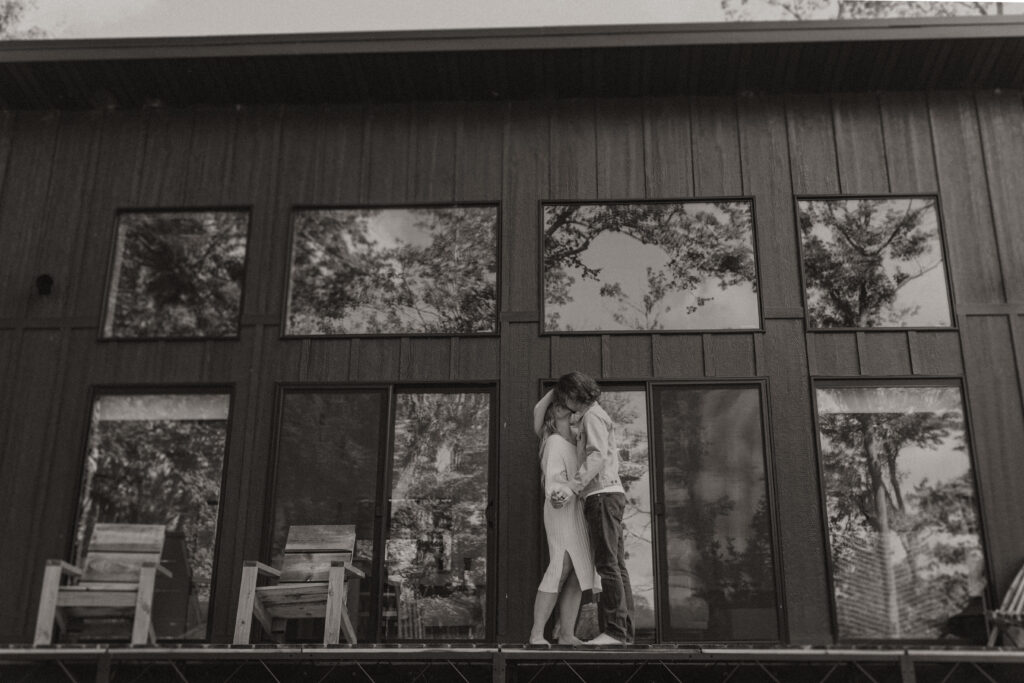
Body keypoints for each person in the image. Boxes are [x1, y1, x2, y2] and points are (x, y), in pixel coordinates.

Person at [556, 371, 634, 646]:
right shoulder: (593, 416)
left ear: (574, 394)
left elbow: (597, 456)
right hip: (609, 494)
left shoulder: (592, 417)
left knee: (607, 565)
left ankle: (614, 632)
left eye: (565, 396)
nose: (564, 402)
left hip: (601, 496)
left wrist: (572, 487)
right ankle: (623, 632)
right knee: (616, 565)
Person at [529, 390, 598, 646]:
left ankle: (567, 634)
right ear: (557, 411)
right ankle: (537, 633)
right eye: (565, 405)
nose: (571, 410)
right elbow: (538, 410)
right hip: (559, 507)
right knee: (561, 565)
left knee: (580, 572)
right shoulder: (553, 440)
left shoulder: (577, 440)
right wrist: (557, 388)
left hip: (578, 510)